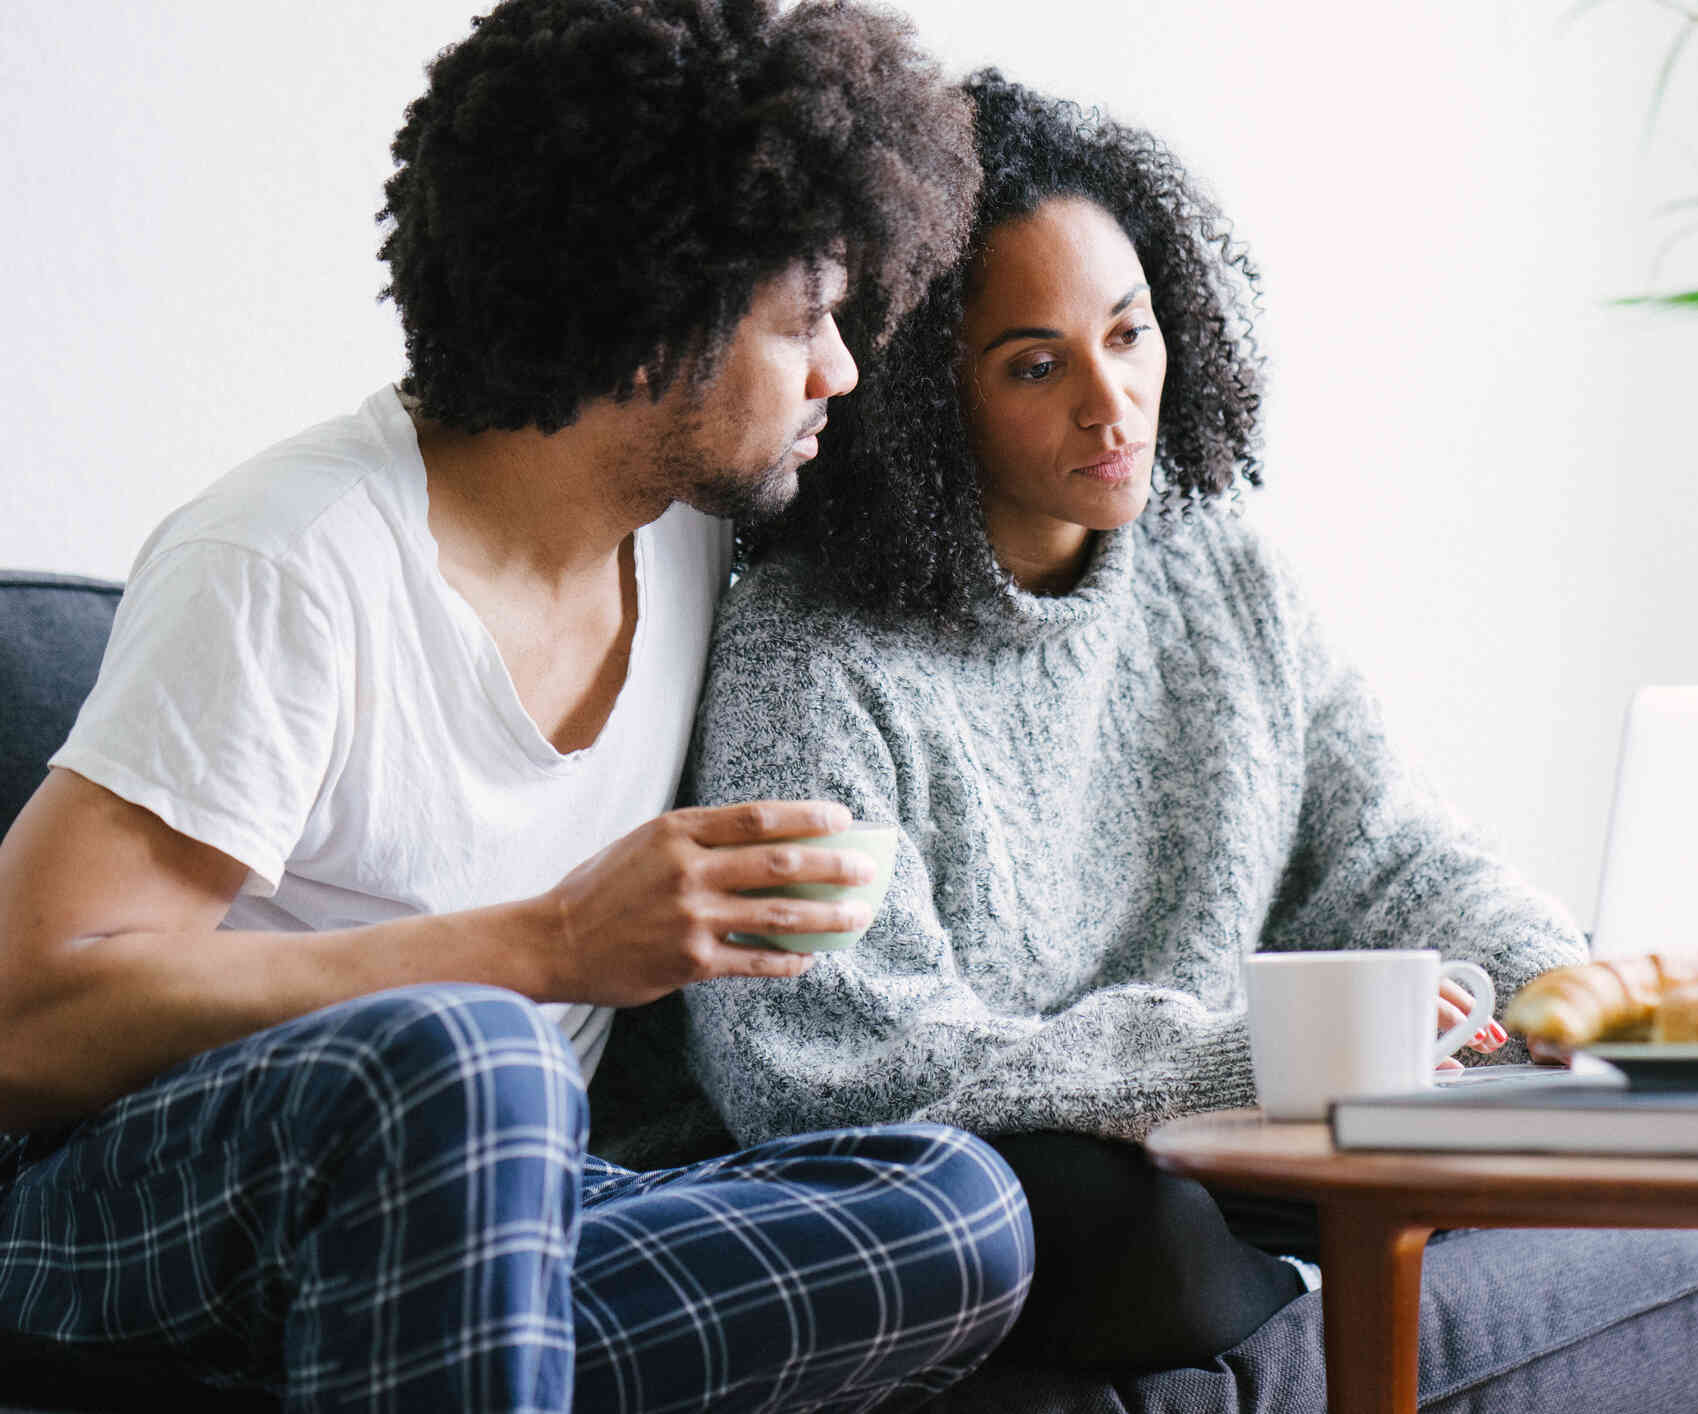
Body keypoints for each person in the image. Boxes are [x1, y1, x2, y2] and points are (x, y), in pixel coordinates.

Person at [0, 5, 1034, 1410]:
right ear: (645, 318)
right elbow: (28, 1012)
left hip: (505, 1201)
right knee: (474, 1049)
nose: (840, 371)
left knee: (956, 1202)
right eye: (804, 322)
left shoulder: (688, 536)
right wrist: (544, 945)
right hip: (138, 1193)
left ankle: (409, 1342)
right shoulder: (295, 556)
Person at [592, 71, 1588, 1371]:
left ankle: (1320, 1240)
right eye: (1033, 363)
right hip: (960, 1176)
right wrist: (1242, 1057)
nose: (1109, 404)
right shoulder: (814, 650)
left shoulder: (1224, 579)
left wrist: (1582, 989)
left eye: (1128, 333)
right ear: (920, 392)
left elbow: (1390, 858)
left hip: (1213, 1130)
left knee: (1555, 1125)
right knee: (1122, 1222)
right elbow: (826, 1061)